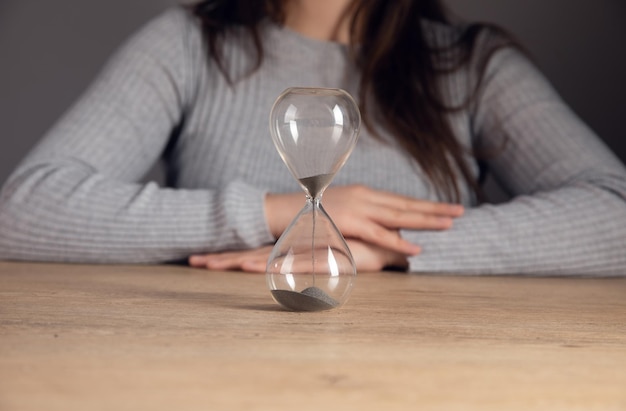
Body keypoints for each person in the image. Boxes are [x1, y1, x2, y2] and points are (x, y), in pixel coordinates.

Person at [0, 0, 625, 275]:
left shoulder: (469, 63)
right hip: (214, 361)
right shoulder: (189, 45)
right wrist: (283, 215)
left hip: (428, 370)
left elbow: (615, 216)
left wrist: (390, 246)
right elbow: (23, 212)